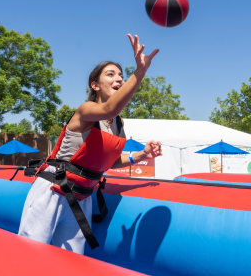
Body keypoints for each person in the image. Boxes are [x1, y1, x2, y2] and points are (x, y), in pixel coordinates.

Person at [18, 34, 163, 254]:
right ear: (94, 85)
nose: (119, 79)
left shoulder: (117, 123)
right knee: (29, 254)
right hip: (53, 190)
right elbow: (109, 108)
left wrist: (142, 155)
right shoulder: (86, 110)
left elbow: (109, 162)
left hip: (82, 197)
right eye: (111, 74)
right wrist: (140, 71)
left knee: (70, 262)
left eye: (121, 75)